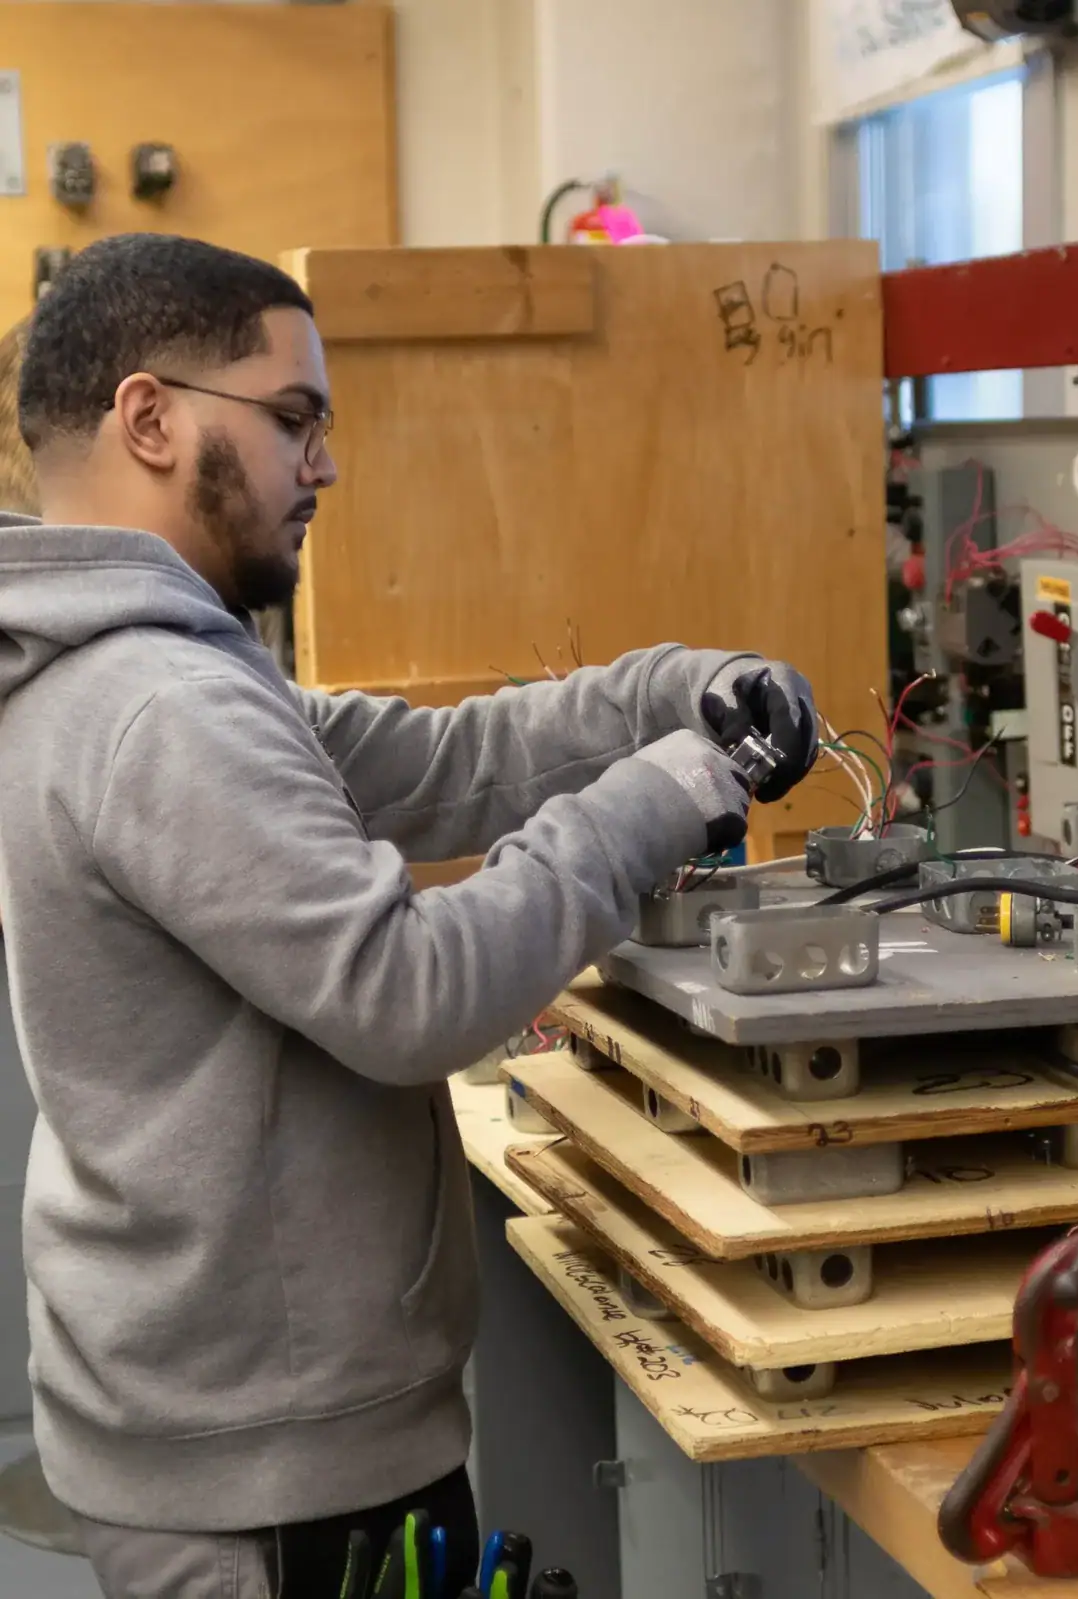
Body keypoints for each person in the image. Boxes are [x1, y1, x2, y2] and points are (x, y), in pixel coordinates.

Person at [1, 232, 818, 1598]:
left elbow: (440, 763)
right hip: (268, 1472)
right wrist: (674, 791)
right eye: (294, 419)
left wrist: (668, 693)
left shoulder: (150, 667)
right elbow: (410, 994)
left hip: (236, 1416)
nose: (323, 466)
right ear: (150, 419)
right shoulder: (160, 706)